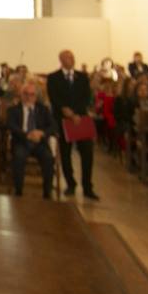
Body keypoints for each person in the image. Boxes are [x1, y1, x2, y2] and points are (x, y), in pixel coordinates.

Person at [48, 49, 98, 199]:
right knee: (65, 153)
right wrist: (65, 110)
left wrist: (76, 113)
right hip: (63, 119)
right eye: (68, 57)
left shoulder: (82, 77)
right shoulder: (54, 77)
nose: (71, 59)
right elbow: (54, 97)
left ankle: (87, 186)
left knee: (87, 152)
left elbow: (86, 97)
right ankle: (70, 183)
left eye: (72, 57)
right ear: (61, 60)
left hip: (80, 119)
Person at [6, 79, 55, 198]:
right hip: (21, 141)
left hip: (40, 142)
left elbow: (53, 126)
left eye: (32, 94)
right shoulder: (13, 109)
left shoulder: (43, 109)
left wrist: (41, 133)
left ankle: (47, 192)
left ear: (36, 96)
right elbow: (11, 125)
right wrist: (26, 135)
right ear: (21, 95)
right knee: (18, 157)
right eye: (26, 94)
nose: (28, 97)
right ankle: (18, 191)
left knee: (48, 158)